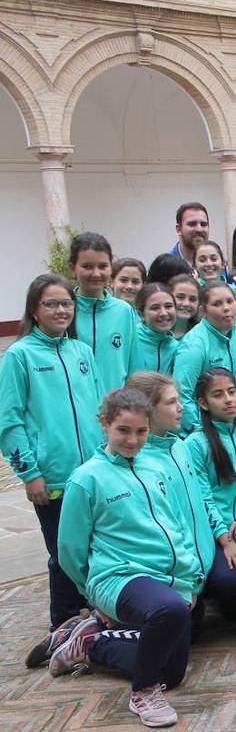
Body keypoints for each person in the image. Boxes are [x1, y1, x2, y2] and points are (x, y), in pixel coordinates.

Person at [51, 389, 200, 727]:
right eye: (123, 430)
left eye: (141, 431)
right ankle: (143, 693)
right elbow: (69, 551)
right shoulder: (87, 478)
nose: (132, 440)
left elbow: (178, 524)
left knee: (172, 673)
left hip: (166, 577)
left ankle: (90, 645)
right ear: (104, 424)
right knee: (169, 611)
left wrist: (189, 577)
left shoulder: (156, 468)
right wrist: (93, 595)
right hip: (116, 577)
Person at [0, 274, 102, 630]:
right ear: (34, 309)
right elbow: (10, 422)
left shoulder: (82, 351)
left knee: (95, 547)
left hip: (92, 472)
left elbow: (100, 409)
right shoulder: (20, 356)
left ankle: (94, 615)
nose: (61, 310)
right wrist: (30, 473)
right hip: (52, 476)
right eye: (52, 304)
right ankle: (63, 623)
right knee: (63, 553)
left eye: (66, 304)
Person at [126, 372, 236, 629]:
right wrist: (184, 580)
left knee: (230, 582)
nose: (180, 408)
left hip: (201, 560)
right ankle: (92, 637)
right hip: (175, 571)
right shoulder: (143, 464)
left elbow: (201, 500)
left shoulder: (179, 446)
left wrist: (223, 541)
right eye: (170, 403)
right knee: (178, 641)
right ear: (146, 410)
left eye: (179, 400)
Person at [183, 368, 236, 578]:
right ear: (202, 402)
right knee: (228, 578)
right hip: (214, 535)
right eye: (218, 395)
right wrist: (225, 540)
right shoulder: (195, 444)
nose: (228, 400)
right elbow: (203, 499)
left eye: (232, 392)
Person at [173, 280, 236, 432]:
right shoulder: (194, 345)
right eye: (217, 304)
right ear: (203, 310)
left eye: (230, 301)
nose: (226, 308)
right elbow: (182, 394)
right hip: (208, 431)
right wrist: (201, 431)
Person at [70, 232, 138, 392]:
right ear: (72, 268)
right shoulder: (65, 311)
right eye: (87, 266)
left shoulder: (124, 311)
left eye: (102, 266)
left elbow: (133, 365)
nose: (96, 273)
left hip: (115, 408)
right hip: (76, 408)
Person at [129, 283, 180, 375]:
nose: (164, 313)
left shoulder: (177, 348)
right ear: (141, 315)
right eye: (155, 308)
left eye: (168, 306)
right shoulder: (130, 340)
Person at [168, 273, 199, 340]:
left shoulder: (200, 335)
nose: (186, 304)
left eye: (192, 299)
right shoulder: (154, 332)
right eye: (180, 297)